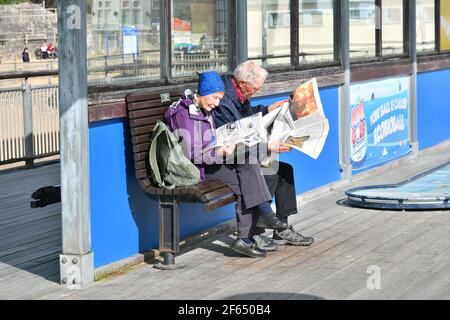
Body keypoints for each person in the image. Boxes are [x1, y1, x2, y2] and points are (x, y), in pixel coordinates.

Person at [165, 71, 288, 258]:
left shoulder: (204, 109)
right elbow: (193, 155)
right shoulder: (185, 115)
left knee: (246, 167)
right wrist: (220, 152)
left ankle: (247, 237)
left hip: (211, 160)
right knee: (247, 167)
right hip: (196, 169)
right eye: (214, 98)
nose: (216, 104)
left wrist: (224, 145)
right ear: (203, 92)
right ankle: (263, 217)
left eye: (219, 99)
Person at [213, 61, 315, 248]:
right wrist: (268, 146)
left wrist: (267, 109)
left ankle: (281, 228)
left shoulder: (239, 91)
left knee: (284, 171)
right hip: (229, 157)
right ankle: (254, 232)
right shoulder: (225, 100)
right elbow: (234, 136)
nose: (256, 91)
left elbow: (247, 118)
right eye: (255, 89)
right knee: (268, 172)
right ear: (243, 83)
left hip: (244, 153)